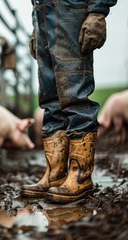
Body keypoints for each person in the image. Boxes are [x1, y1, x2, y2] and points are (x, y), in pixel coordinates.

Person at [21, 0, 117, 203]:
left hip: (71, 10)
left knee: (75, 97)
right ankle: (54, 174)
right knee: (50, 99)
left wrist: (97, 12)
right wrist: (35, 25)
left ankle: (80, 176)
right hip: (42, 13)